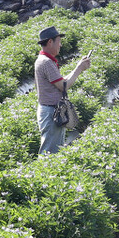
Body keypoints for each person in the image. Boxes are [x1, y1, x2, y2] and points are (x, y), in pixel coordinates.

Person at [34, 26, 90, 155]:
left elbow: (61, 81)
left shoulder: (45, 60)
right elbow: (63, 86)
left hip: (53, 111)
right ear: (50, 42)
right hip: (50, 112)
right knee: (49, 153)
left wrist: (78, 67)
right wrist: (79, 68)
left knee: (55, 149)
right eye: (59, 41)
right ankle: (44, 168)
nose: (60, 45)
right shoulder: (46, 62)